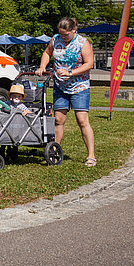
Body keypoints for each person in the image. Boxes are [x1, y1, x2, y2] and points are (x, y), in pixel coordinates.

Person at [36, 17, 97, 166]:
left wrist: (71, 73)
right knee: (58, 120)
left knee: (82, 120)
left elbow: (89, 64)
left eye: (66, 34)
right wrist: (42, 66)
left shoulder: (82, 43)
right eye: (61, 34)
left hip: (79, 86)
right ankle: (54, 152)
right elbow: (47, 53)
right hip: (60, 86)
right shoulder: (55, 39)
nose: (63, 37)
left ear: (74, 30)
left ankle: (91, 156)